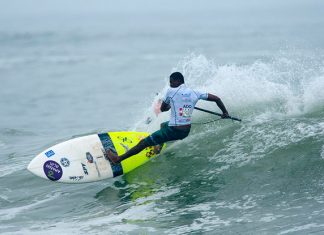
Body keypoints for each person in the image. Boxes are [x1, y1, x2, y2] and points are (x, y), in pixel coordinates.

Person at [106, 72, 229, 164]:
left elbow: (163, 109)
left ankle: (118, 159)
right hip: (185, 131)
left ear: (177, 81)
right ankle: (158, 146)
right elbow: (217, 99)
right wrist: (225, 113)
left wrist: (169, 104)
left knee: (143, 143)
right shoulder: (195, 92)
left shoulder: (171, 91)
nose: (170, 84)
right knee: (164, 124)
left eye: (171, 82)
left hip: (174, 130)